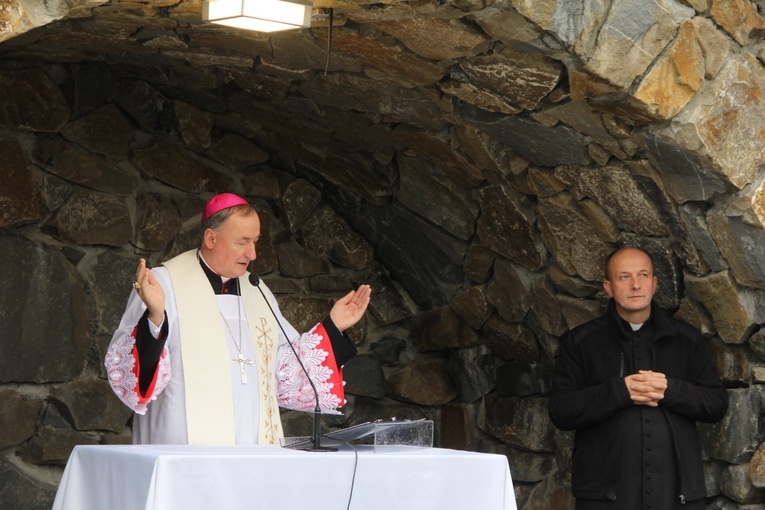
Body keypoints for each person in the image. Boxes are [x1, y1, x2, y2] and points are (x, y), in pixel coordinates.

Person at [105, 193, 372, 445]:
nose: (253, 254)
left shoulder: (257, 290)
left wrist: (332, 326)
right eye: (242, 242)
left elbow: (284, 371)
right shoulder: (164, 283)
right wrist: (155, 317)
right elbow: (134, 376)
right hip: (184, 447)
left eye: (255, 241)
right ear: (211, 238)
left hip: (251, 447)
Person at [548, 247, 728, 509]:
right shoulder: (581, 342)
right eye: (624, 277)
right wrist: (619, 391)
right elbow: (561, 411)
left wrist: (670, 390)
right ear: (608, 287)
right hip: (604, 497)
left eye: (643, 275)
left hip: (677, 495)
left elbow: (716, 404)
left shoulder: (686, 339)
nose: (635, 285)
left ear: (654, 284)